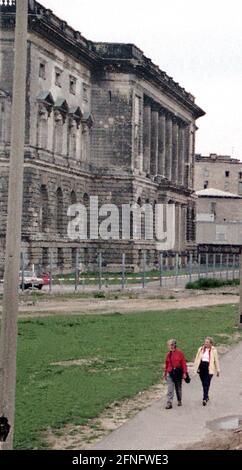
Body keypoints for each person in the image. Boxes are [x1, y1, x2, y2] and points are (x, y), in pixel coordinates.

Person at [194, 336, 220, 406]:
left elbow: (216, 360)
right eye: (205, 342)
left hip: (209, 369)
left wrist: (218, 370)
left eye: (207, 342)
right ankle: (207, 396)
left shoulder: (214, 350)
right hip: (201, 368)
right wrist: (195, 367)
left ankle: (204, 398)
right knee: (204, 383)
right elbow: (197, 358)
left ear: (211, 343)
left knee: (206, 383)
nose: (205, 343)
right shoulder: (200, 349)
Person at [163, 339, 187, 409]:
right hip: (170, 373)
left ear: (173, 345)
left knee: (178, 387)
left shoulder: (180, 353)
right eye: (168, 345)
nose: (168, 346)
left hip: (178, 373)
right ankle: (169, 403)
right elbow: (166, 365)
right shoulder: (168, 354)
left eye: (169, 345)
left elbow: (183, 364)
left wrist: (184, 373)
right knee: (170, 388)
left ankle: (179, 400)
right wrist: (165, 374)